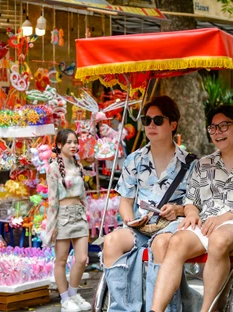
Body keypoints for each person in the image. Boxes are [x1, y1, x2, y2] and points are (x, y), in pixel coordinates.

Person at [150, 105, 233, 312]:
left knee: (219, 239)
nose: (217, 132)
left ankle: (207, 309)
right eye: (213, 128)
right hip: (207, 221)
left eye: (224, 126)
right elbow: (192, 200)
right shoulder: (204, 164)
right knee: (176, 241)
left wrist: (226, 216)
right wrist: (191, 213)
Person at [102, 96, 196, 312]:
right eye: (147, 120)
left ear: (173, 124)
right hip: (141, 225)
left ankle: (160, 308)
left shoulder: (190, 163)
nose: (151, 125)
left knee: (161, 244)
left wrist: (178, 210)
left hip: (172, 226)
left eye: (158, 120)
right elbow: (125, 202)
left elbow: (195, 205)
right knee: (112, 241)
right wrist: (130, 219)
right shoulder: (134, 160)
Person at [44, 129, 91, 312]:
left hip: (79, 215)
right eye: (69, 142)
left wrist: (86, 214)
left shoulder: (78, 166)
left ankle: (73, 294)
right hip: (62, 216)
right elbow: (52, 200)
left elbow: (84, 195)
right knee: (61, 260)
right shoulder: (53, 168)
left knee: (82, 258)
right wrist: (52, 225)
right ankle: (65, 299)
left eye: (75, 142)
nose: (73, 145)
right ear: (59, 145)